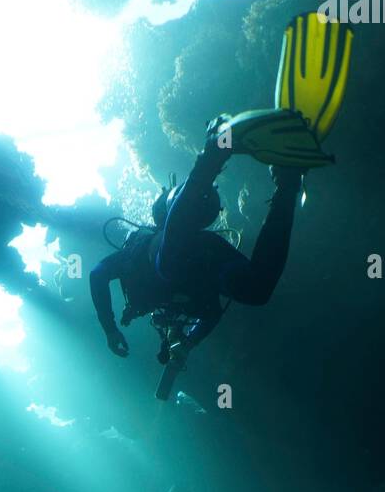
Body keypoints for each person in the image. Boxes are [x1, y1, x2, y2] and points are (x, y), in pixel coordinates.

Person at [90, 132, 303, 358]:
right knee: (257, 291)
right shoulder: (187, 304)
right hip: (205, 259)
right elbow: (212, 314)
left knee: (169, 265)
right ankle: (287, 185)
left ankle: (213, 152)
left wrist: (110, 330)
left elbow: (97, 274)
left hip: (179, 252)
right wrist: (188, 343)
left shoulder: (134, 253)